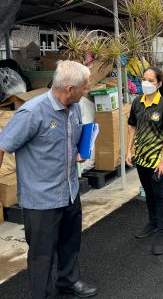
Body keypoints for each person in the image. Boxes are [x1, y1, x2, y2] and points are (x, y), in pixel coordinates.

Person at [0, 60, 96, 299]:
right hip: (41, 200)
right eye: (84, 86)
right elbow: (3, 145)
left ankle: (68, 282)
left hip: (70, 191)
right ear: (69, 89)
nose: (88, 89)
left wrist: (78, 152)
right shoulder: (32, 112)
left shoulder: (74, 107)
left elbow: (69, 140)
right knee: (42, 254)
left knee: (70, 243)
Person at [126, 66, 163, 255]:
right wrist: (129, 150)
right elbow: (132, 127)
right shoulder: (137, 102)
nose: (146, 83)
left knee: (160, 194)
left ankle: (161, 233)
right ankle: (152, 222)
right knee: (148, 191)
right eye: (143, 79)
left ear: (159, 83)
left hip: (157, 159)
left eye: (151, 80)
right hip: (141, 157)